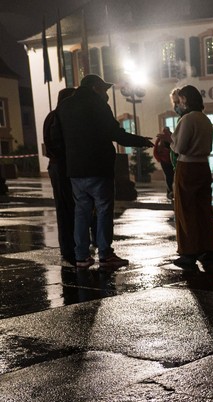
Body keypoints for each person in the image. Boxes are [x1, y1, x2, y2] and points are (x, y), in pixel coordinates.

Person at [50, 74, 153, 269]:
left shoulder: (64, 107)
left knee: (81, 211)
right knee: (104, 210)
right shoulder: (98, 105)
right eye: (104, 89)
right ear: (95, 87)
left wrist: (70, 158)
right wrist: (140, 141)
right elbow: (115, 134)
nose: (106, 93)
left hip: (75, 170)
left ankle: (81, 256)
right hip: (98, 168)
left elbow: (57, 137)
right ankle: (105, 254)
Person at [170, 84, 213, 270]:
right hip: (203, 166)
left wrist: (169, 140)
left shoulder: (187, 119)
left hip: (187, 166)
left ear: (186, 100)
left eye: (180, 99)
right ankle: (209, 248)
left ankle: (189, 251)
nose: (179, 103)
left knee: (186, 209)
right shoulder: (205, 119)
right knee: (204, 209)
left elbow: (180, 147)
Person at [43, 87, 76, 266]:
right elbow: (57, 145)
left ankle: (72, 247)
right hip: (61, 167)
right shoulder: (58, 117)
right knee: (65, 208)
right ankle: (69, 249)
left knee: (69, 208)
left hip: (61, 166)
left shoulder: (56, 116)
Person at [153, 126, 175, 200]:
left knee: (170, 176)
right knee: (169, 175)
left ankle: (170, 191)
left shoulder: (167, 138)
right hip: (166, 160)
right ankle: (170, 190)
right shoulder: (163, 138)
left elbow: (156, 149)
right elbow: (156, 149)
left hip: (168, 160)